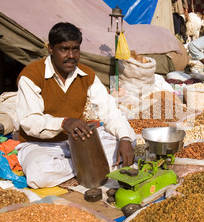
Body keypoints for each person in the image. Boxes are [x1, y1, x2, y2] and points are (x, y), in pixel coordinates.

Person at [15, 22, 135, 189]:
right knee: (39, 174)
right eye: (64, 49)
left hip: (77, 141)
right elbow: (29, 121)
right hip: (41, 144)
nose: (71, 55)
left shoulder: (87, 75)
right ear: (51, 49)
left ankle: (79, 167)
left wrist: (124, 139)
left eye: (75, 49)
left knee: (129, 143)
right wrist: (63, 123)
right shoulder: (31, 76)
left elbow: (110, 112)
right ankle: (86, 166)